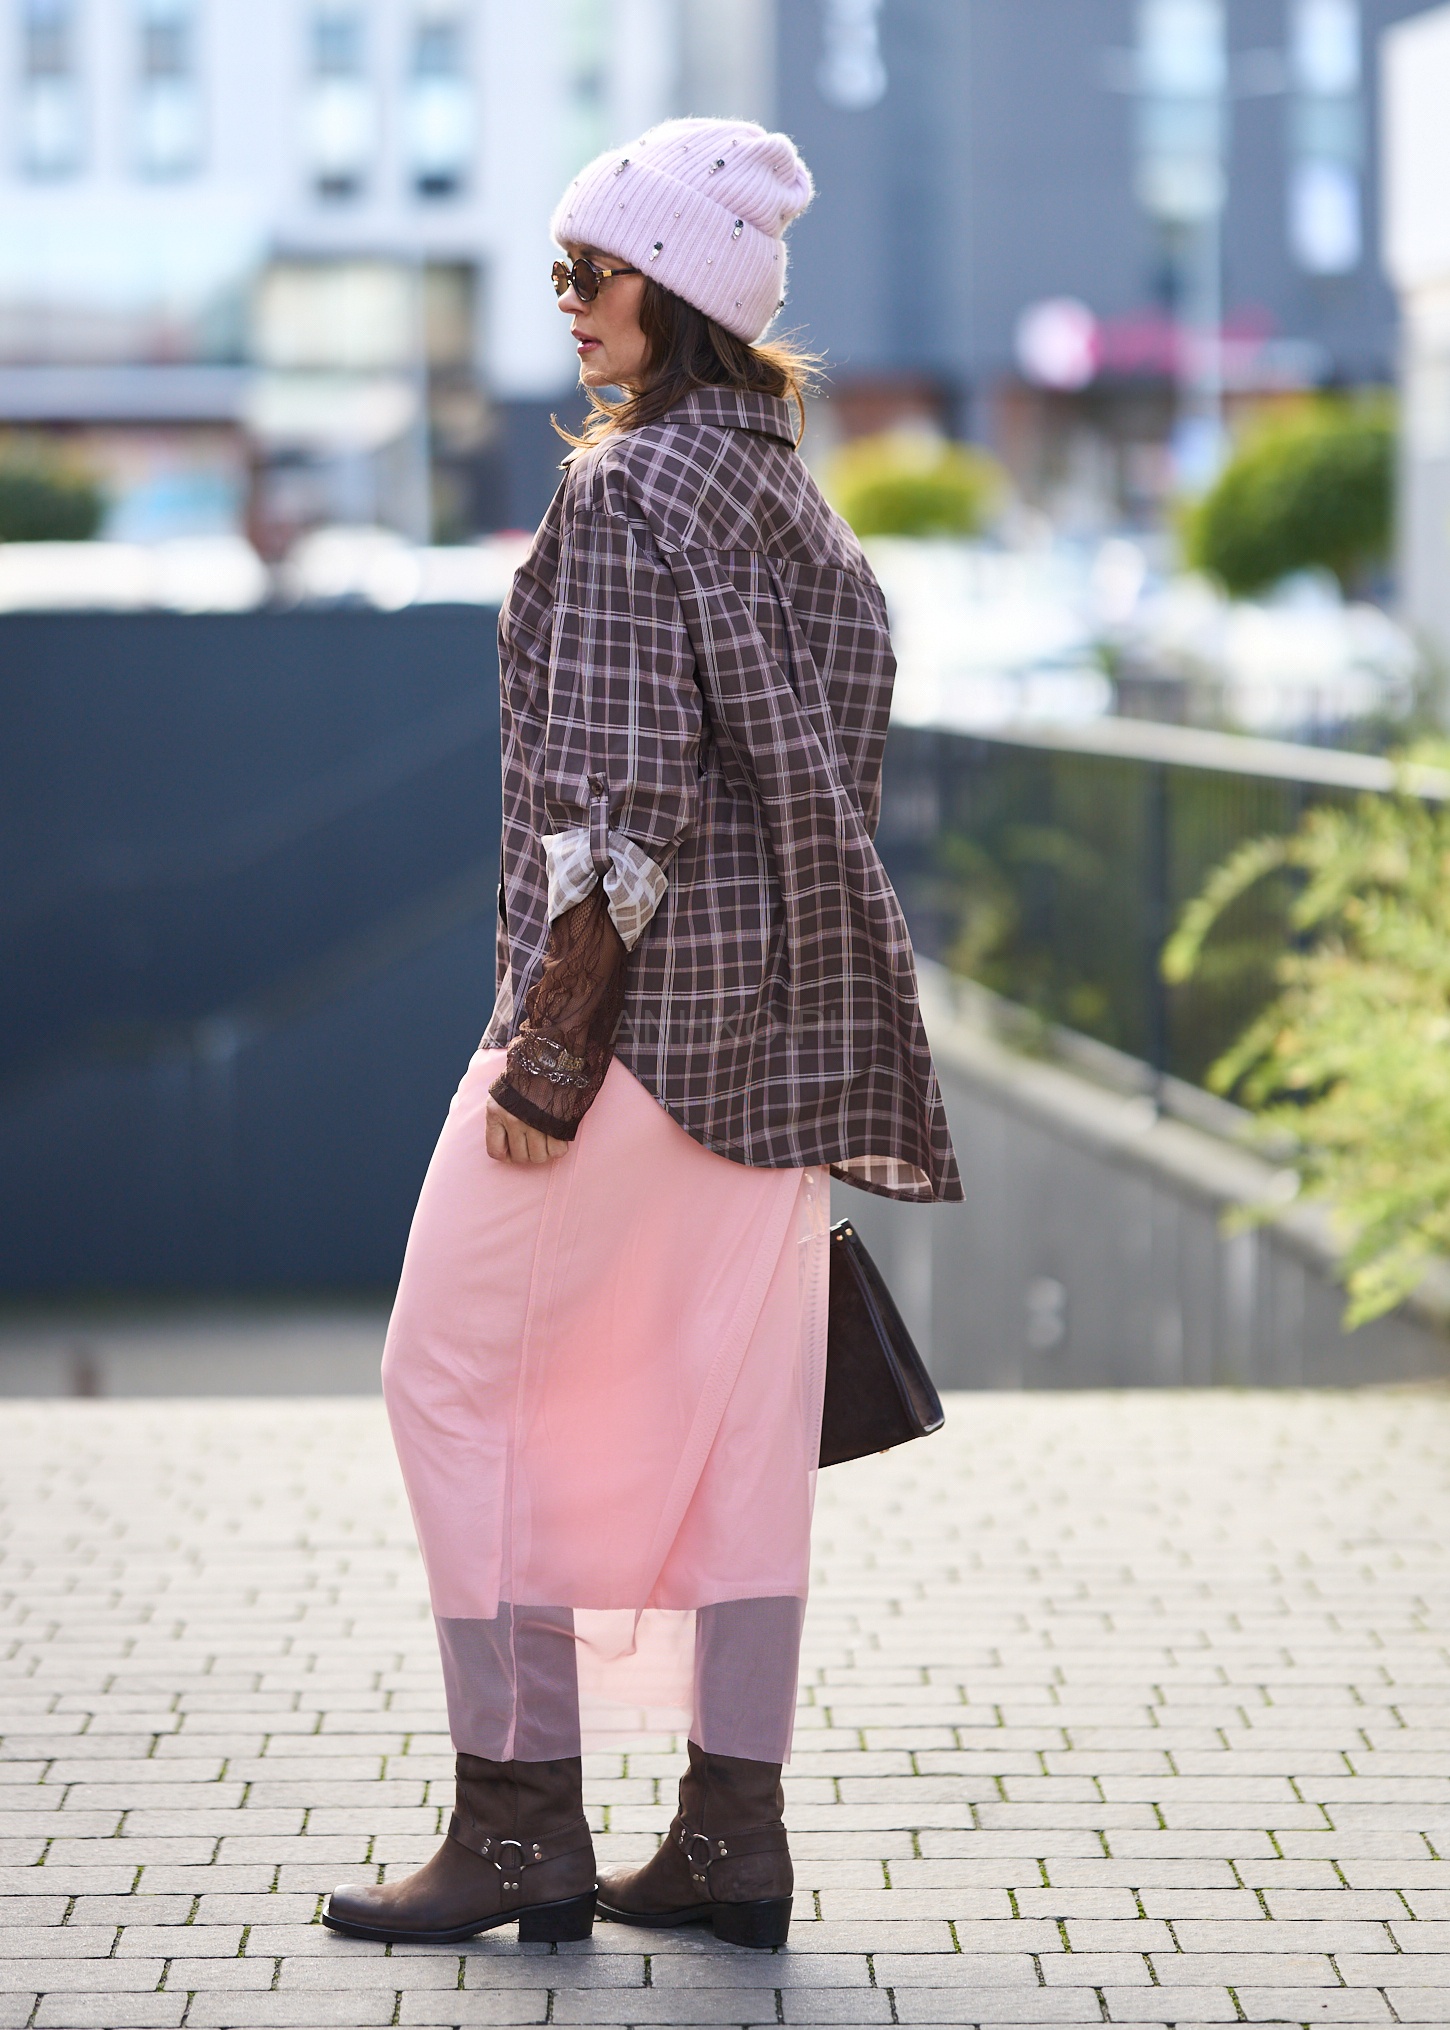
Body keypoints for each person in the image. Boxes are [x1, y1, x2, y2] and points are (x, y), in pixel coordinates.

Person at [323, 116, 961, 1955]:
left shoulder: (624, 492)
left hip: (625, 1046)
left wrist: (547, 1055)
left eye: (590, 271)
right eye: (560, 272)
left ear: (675, 285)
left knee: (452, 1379)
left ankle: (520, 1825)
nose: (567, 303)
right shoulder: (792, 498)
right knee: (741, 1422)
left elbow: (617, 810)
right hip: (777, 1053)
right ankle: (729, 1834)